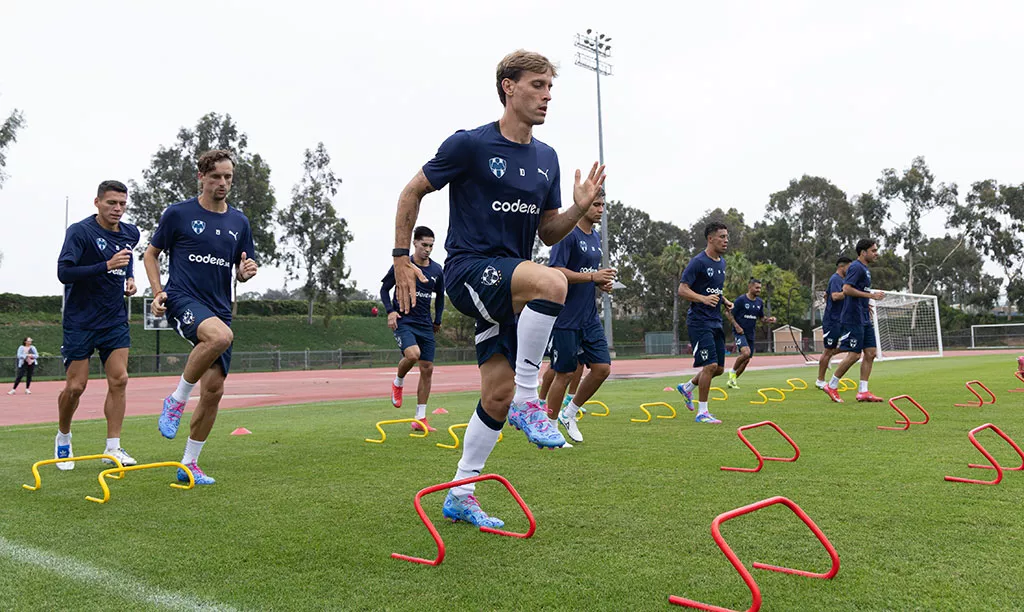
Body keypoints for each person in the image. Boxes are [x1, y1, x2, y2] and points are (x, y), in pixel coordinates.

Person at [391, 49, 605, 528]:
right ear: (508, 86)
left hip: (511, 287)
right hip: (470, 271)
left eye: (551, 88)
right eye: (537, 85)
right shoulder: (469, 144)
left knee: (496, 396)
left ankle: (460, 492)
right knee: (551, 280)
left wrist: (577, 209)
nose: (547, 96)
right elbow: (412, 191)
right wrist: (401, 258)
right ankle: (534, 399)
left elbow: (549, 231)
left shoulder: (547, 158)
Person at [144, 150, 258, 485]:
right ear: (201, 177)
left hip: (219, 308)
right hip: (183, 299)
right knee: (220, 337)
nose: (223, 183)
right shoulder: (178, 213)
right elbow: (151, 254)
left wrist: (245, 272)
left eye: (228, 177)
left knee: (214, 390)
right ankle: (176, 399)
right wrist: (157, 291)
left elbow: (242, 266)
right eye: (216, 177)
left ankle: (189, 464)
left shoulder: (239, 222)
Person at [53, 180, 140, 470]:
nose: (117, 209)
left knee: (120, 379)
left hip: (114, 318)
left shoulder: (130, 233)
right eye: (111, 203)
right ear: (97, 202)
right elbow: (64, 273)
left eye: (122, 204)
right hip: (80, 320)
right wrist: (106, 265)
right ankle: (63, 435)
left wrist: (129, 277)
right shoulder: (80, 232)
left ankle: (112, 448)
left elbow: (126, 259)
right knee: (76, 386)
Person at [543, 188, 615, 443]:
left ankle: (569, 413)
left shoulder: (594, 237)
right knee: (563, 373)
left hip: (589, 316)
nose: (600, 209)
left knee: (602, 368)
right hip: (566, 317)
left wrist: (599, 282)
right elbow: (556, 272)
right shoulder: (567, 234)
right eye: (596, 204)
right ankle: (550, 428)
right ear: (583, 205)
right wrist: (592, 277)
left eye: (602, 205)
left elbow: (587, 274)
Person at [380, 225, 445, 431]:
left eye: (431, 246)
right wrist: (390, 311)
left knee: (428, 369)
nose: (427, 249)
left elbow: (440, 297)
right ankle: (398, 382)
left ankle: (420, 419)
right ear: (415, 243)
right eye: (424, 245)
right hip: (404, 321)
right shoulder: (403, 265)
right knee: (413, 354)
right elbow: (384, 289)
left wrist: (438, 320)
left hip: (425, 324)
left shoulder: (436, 270)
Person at [676, 222, 733, 424]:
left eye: (727, 237)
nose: (726, 240)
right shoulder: (698, 262)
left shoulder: (722, 263)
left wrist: (723, 300)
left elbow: (713, 290)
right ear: (710, 238)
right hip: (699, 322)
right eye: (722, 237)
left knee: (718, 369)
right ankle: (703, 412)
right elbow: (682, 290)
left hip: (716, 320)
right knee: (709, 365)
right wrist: (702, 299)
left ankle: (687, 387)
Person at [824, 239, 886, 403]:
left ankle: (863, 391)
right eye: (873, 250)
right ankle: (831, 385)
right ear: (863, 252)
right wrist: (871, 296)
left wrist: (866, 305)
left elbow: (858, 292)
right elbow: (846, 289)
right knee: (854, 355)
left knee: (871, 353)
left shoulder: (865, 269)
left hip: (863, 316)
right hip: (853, 318)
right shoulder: (856, 267)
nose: (876, 253)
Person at [725, 278, 776, 389]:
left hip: (750, 333)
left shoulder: (759, 302)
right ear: (750, 287)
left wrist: (769, 320)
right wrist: (737, 326)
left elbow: (761, 318)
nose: (759, 290)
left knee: (746, 360)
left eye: (760, 288)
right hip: (740, 332)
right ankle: (732, 371)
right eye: (757, 288)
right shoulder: (741, 300)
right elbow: (728, 313)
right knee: (746, 353)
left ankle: (732, 381)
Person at [815, 256, 852, 390]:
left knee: (850, 346)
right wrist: (848, 292)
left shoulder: (843, 280)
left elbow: (827, 295)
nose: (851, 270)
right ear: (842, 267)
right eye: (849, 267)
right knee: (827, 350)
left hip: (842, 320)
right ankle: (820, 380)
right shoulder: (836, 278)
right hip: (832, 321)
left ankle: (830, 356)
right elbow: (835, 296)